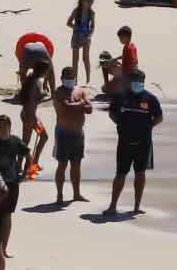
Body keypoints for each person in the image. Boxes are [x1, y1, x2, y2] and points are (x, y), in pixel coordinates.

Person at [104, 69, 163, 215]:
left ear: (143, 81)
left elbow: (159, 118)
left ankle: (136, 207)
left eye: (140, 80)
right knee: (120, 174)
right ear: (129, 81)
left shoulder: (150, 99)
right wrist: (121, 125)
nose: (138, 83)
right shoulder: (119, 96)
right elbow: (112, 114)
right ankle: (112, 206)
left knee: (140, 174)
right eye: (135, 80)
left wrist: (148, 127)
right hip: (124, 142)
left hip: (143, 144)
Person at [50, 65, 90, 204]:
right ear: (62, 79)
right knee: (62, 163)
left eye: (72, 77)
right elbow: (65, 108)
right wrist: (81, 104)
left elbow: (89, 108)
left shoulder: (80, 91)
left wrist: (78, 104)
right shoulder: (57, 92)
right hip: (63, 132)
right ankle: (59, 195)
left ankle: (76, 194)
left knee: (76, 164)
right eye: (67, 77)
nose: (69, 80)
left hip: (78, 133)